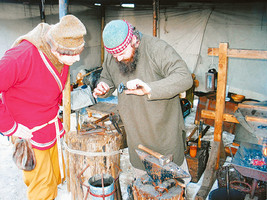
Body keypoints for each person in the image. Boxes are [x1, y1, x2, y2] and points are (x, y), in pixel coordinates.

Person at [93, 20, 193, 185]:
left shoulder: (157, 49)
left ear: (133, 40)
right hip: (136, 137)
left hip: (164, 134)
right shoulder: (115, 56)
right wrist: (103, 87)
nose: (117, 58)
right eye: (113, 55)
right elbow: (107, 77)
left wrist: (150, 88)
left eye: (121, 52)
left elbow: (184, 77)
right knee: (143, 187)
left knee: (174, 188)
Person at [0, 15, 86, 200]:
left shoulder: (59, 46)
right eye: (72, 53)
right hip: (28, 132)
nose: (78, 58)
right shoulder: (21, 57)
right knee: (42, 186)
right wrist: (10, 127)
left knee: (54, 176)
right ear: (55, 48)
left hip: (50, 126)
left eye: (80, 51)